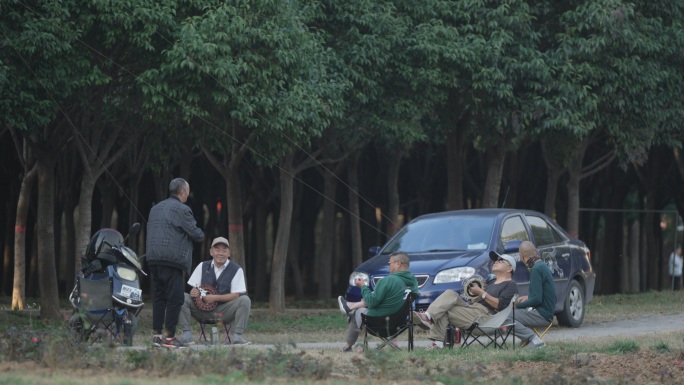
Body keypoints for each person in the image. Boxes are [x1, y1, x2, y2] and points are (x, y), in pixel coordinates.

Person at [412, 251, 518, 349]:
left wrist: (481, 292)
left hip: (485, 317)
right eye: (495, 260)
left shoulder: (511, 284)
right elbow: (477, 300)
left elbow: (499, 306)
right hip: (473, 309)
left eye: (500, 260)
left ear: (509, 268)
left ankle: (435, 337)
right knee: (450, 293)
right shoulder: (491, 282)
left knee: (444, 309)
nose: (495, 262)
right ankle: (428, 317)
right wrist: (472, 294)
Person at [146, 178, 204, 348]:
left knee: (158, 297)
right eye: (188, 191)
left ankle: (157, 335)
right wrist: (200, 232)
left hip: (153, 259)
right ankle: (169, 337)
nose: (188, 194)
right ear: (182, 192)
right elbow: (196, 234)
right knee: (175, 298)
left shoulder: (155, 209)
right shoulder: (183, 210)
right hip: (172, 261)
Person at [337, 252, 419, 352]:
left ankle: (348, 346)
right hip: (400, 324)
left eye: (390, 263)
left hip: (380, 323)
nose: (389, 266)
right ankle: (350, 306)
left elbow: (372, 302)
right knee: (376, 298)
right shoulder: (414, 283)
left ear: (398, 264)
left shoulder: (388, 280)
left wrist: (363, 286)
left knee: (359, 312)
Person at [178, 236, 252, 345]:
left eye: (224, 250)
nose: (220, 253)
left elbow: (236, 295)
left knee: (245, 300)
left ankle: (237, 336)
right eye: (217, 249)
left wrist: (215, 298)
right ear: (211, 252)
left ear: (229, 253)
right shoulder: (202, 266)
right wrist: (193, 293)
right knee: (181, 296)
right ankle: (186, 335)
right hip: (202, 311)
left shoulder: (236, 269)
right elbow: (194, 288)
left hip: (224, 312)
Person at [505, 240, 556, 348]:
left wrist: (516, 305)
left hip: (542, 314)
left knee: (506, 316)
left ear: (522, 256)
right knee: (511, 314)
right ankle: (527, 339)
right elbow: (540, 295)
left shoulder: (536, 269)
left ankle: (533, 339)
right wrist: (528, 297)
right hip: (546, 311)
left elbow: (536, 300)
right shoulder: (542, 266)